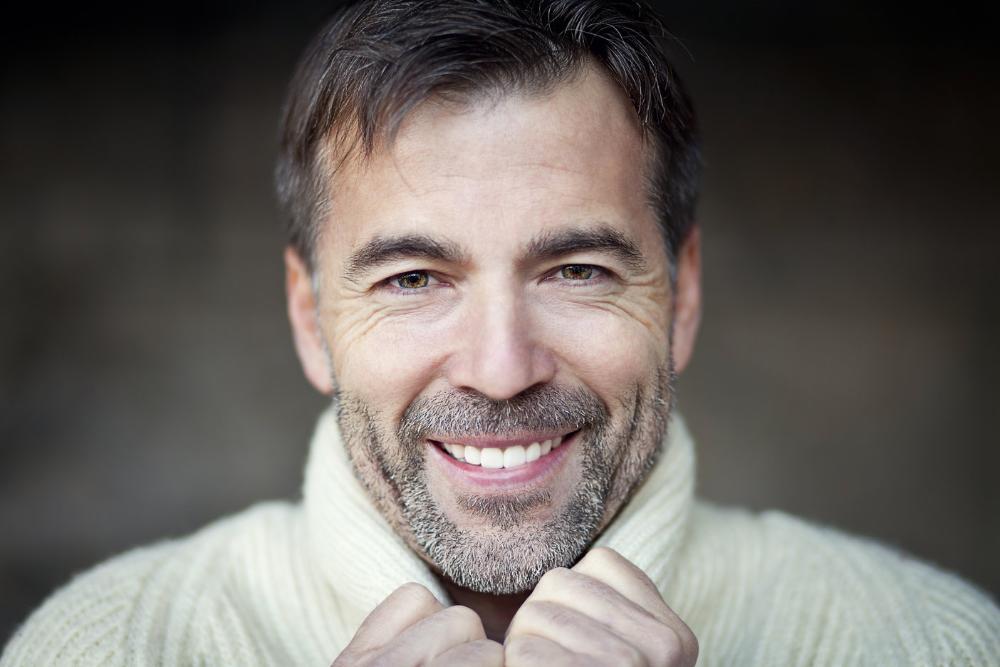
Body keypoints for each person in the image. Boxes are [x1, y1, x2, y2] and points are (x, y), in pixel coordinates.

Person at [3, 1, 999, 665]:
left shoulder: (934, 642)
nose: (500, 368)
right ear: (311, 318)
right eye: (412, 278)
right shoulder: (106, 644)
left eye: (575, 270)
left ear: (681, 295)